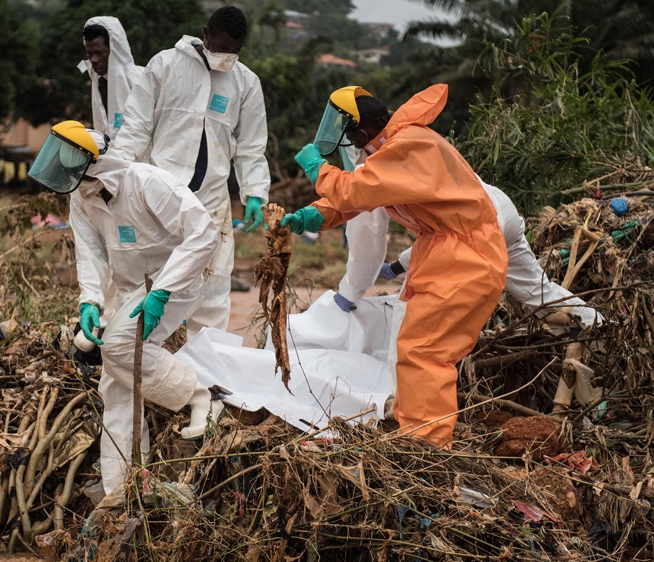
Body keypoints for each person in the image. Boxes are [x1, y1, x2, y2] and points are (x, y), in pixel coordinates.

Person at [284, 84, 508, 446]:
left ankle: (428, 447)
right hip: (447, 256)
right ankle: (412, 427)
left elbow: (353, 191)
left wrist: (317, 168)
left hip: (466, 260)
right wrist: (314, 216)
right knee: (413, 346)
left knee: (425, 350)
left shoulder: (410, 146)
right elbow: (365, 193)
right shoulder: (395, 147)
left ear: (358, 131)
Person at [29, 120, 224, 496]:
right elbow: (90, 254)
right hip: (129, 290)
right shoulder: (81, 196)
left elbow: (204, 233)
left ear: (91, 161)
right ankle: (124, 489)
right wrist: (90, 300)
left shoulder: (147, 182)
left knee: (119, 348)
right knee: (115, 386)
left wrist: (163, 290)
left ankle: (203, 396)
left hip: (172, 282)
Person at [111, 6, 270, 338]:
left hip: (211, 199)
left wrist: (254, 192)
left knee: (212, 287)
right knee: (148, 277)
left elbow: (251, 145)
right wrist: (115, 175)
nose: (227, 56)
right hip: (160, 194)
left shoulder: (246, 83)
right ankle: (132, 349)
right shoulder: (166, 65)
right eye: (222, 46)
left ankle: (208, 371)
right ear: (206, 33)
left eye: (235, 51)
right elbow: (136, 126)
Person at [334, 180, 602, 326]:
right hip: (499, 208)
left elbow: (437, 240)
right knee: (539, 292)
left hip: (480, 227)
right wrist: (397, 267)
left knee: (431, 309)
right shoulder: (426, 152)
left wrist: (361, 282)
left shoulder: (385, 175)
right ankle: (603, 324)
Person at [80, 16, 143, 140]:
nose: (93, 60)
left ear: (114, 50)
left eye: (99, 52)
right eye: (89, 53)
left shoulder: (142, 81)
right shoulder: (98, 82)